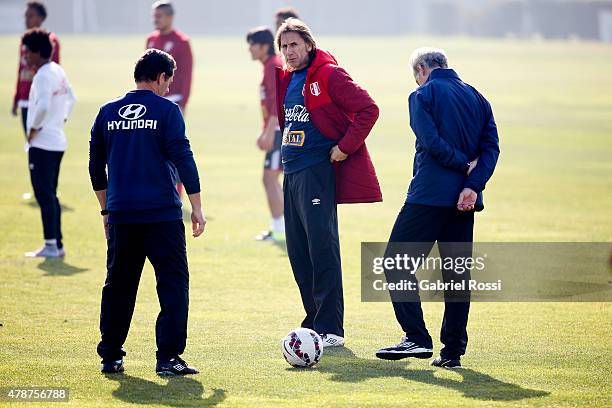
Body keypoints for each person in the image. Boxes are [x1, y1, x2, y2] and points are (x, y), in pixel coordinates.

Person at [375, 48, 500, 369]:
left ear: (421, 69)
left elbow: (430, 141)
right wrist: (473, 185)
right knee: (456, 275)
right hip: (465, 200)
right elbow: (491, 148)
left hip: (429, 195)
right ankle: (452, 352)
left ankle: (416, 337)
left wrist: (461, 166)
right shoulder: (478, 97)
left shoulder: (422, 95)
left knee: (396, 263)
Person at [89, 49, 206, 376]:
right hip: (163, 217)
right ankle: (168, 358)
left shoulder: (106, 112)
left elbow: (96, 167)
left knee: (118, 286)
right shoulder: (168, 111)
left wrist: (105, 212)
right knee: (172, 285)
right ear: (160, 77)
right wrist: (196, 207)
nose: (169, 87)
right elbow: (184, 158)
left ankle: (111, 356)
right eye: (168, 80)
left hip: (122, 215)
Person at [275, 19, 382, 348]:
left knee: (322, 249)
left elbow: (368, 108)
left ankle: (331, 327)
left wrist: (344, 147)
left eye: (294, 45)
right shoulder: (289, 77)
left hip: (316, 173)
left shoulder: (329, 75)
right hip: (291, 174)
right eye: (284, 47)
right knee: (298, 252)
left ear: (308, 44)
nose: (289, 52)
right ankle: (314, 321)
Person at [22, 29, 75, 258]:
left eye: (27, 52)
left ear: (36, 52)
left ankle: (51, 244)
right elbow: (72, 99)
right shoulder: (57, 70)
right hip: (57, 140)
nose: (25, 57)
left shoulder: (43, 74)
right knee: (51, 194)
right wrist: (60, 119)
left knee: (45, 195)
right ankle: (57, 244)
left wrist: (34, 128)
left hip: (43, 143)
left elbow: (43, 106)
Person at [146, 0, 193, 196]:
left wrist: (182, 104)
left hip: (173, 100)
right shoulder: (151, 40)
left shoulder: (181, 42)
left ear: (170, 17)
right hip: (151, 100)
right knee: (151, 144)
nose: (155, 19)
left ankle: (177, 193)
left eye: (159, 16)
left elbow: (187, 75)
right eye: (154, 15)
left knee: (173, 146)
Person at [246, 27, 285, 242]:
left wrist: (269, 132)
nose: (249, 49)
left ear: (262, 46)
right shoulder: (268, 66)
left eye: (251, 44)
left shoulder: (273, 66)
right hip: (275, 129)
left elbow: (275, 104)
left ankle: (280, 230)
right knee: (272, 179)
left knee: (269, 178)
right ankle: (281, 228)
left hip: (279, 131)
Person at [12, 1, 61, 135]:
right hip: (24, 98)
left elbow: (54, 69)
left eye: (30, 16)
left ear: (41, 18)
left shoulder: (50, 40)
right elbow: (21, 70)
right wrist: (17, 96)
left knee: (40, 142)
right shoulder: (25, 40)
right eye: (25, 16)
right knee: (30, 142)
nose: (26, 20)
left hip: (41, 98)